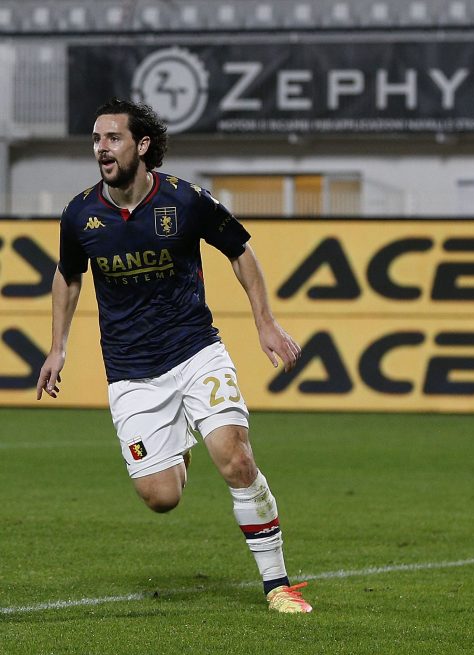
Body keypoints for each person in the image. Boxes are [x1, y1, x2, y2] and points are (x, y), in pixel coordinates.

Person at [35, 97, 313, 611]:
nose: (102, 148)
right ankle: (179, 438)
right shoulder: (79, 214)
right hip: (130, 370)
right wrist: (58, 348)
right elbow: (68, 276)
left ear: (142, 145)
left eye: (112, 138)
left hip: (194, 349)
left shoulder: (185, 201)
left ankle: (277, 584)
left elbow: (240, 250)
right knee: (161, 498)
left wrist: (265, 322)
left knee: (234, 457)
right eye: (96, 139)